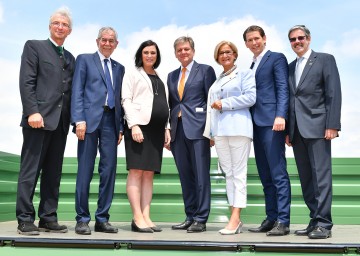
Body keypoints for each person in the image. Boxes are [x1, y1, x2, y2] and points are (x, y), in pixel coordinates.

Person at [16, 7, 75, 236]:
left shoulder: (70, 57)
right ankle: (25, 218)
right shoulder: (34, 47)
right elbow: (26, 81)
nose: (60, 27)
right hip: (37, 121)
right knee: (30, 172)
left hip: (60, 124)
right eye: (57, 23)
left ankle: (48, 217)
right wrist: (32, 111)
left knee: (53, 173)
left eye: (65, 25)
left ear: (69, 31)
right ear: (50, 26)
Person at [286, 25, 341, 239]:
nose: (297, 42)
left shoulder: (325, 59)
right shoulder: (290, 67)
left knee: (321, 177)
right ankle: (314, 219)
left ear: (309, 39)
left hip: (319, 127)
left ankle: (324, 224)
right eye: (293, 39)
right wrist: (289, 130)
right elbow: (292, 99)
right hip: (297, 130)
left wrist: (332, 124)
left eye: (301, 38)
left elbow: (333, 93)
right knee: (306, 178)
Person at [71, 27, 125, 235]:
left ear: (116, 44)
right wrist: (79, 120)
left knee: (108, 171)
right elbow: (77, 90)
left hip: (111, 122)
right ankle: (82, 219)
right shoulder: (84, 60)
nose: (107, 43)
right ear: (97, 41)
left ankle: (102, 219)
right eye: (104, 40)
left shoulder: (120, 68)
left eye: (112, 40)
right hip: (89, 122)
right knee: (85, 170)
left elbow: (119, 98)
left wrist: (120, 126)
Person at [243, 25, 291, 236]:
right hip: (255, 124)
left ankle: (283, 220)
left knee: (278, 173)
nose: (254, 42)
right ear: (246, 44)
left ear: (264, 38)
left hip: (272, 122)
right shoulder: (251, 64)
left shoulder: (276, 58)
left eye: (257, 38)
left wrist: (281, 115)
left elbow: (282, 87)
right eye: (250, 40)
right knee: (265, 175)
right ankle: (271, 217)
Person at [203, 41, 256, 235]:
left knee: (239, 174)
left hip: (238, 128)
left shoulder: (245, 74)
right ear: (217, 57)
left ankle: (235, 218)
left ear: (234, 54)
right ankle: (235, 217)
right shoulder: (217, 80)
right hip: (220, 132)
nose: (225, 55)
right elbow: (211, 108)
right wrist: (210, 134)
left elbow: (251, 97)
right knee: (229, 173)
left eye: (228, 52)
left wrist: (225, 103)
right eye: (221, 53)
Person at [167, 36, 216, 233]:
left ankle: (201, 218)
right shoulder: (171, 75)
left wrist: (211, 132)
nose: (183, 53)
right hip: (178, 131)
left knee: (201, 175)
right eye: (179, 50)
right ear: (175, 53)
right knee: (185, 176)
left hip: (198, 130)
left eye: (186, 49)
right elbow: (172, 104)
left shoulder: (205, 70)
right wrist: (168, 130)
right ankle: (190, 215)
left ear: (193, 51)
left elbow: (211, 101)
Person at [122, 40, 170, 233]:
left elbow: (164, 103)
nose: (150, 56)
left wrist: (167, 128)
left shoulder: (159, 76)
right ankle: (137, 217)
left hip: (157, 130)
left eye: (153, 53)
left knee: (149, 173)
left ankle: (146, 216)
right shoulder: (132, 74)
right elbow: (126, 99)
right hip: (139, 128)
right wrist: (133, 125)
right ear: (140, 55)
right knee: (136, 171)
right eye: (146, 52)